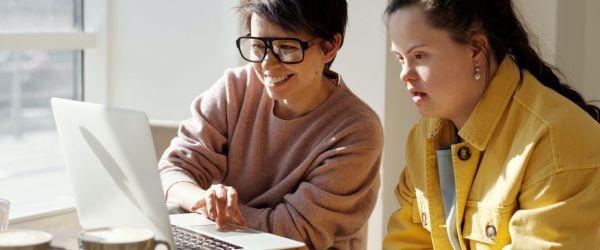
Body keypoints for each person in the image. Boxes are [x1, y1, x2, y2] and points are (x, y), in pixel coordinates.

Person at [158, 0, 383, 248]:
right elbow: (173, 169)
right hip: (224, 239)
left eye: (285, 48)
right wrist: (203, 201)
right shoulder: (235, 89)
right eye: (257, 46)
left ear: (329, 47)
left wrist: (219, 216)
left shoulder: (356, 130)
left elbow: (295, 231)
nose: (267, 64)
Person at [382, 0, 600, 249]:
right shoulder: (423, 137)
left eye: (418, 56)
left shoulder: (555, 141)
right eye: (400, 59)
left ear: (476, 50)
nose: (405, 74)